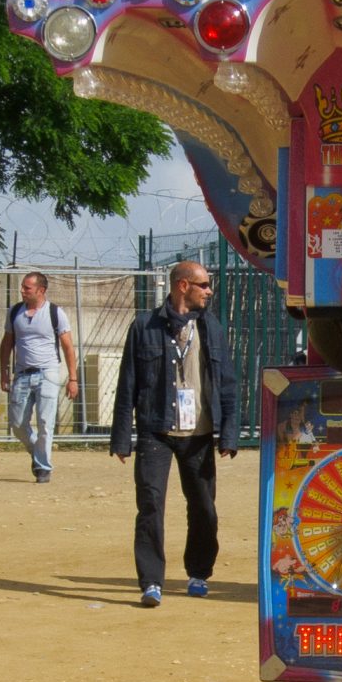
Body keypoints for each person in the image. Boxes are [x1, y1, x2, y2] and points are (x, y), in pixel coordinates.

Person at [111, 259, 238, 606]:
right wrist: (122, 437)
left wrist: (229, 432)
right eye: (204, 285)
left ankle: (198, 572)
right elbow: (127, 384)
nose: (209, 291)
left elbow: (227, 382)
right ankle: (151, 581)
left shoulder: (211, 328)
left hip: (198, 433)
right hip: (156, 431)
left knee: (203, 507)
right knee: (150, 504)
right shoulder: (144, 327)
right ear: (183, 286)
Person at [0, 269, 79, 485]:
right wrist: (4, 371)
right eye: (23, 287)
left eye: (27, 288)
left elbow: (68, 347)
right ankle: (38, 453)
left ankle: (43, 467)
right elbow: (7, 343)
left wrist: (73, 378)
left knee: (45, 422)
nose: (22, 291)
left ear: (41, 290)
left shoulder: (55, 313)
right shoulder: (15, 312)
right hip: (22, 374)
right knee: (16, 423)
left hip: (48, 373)